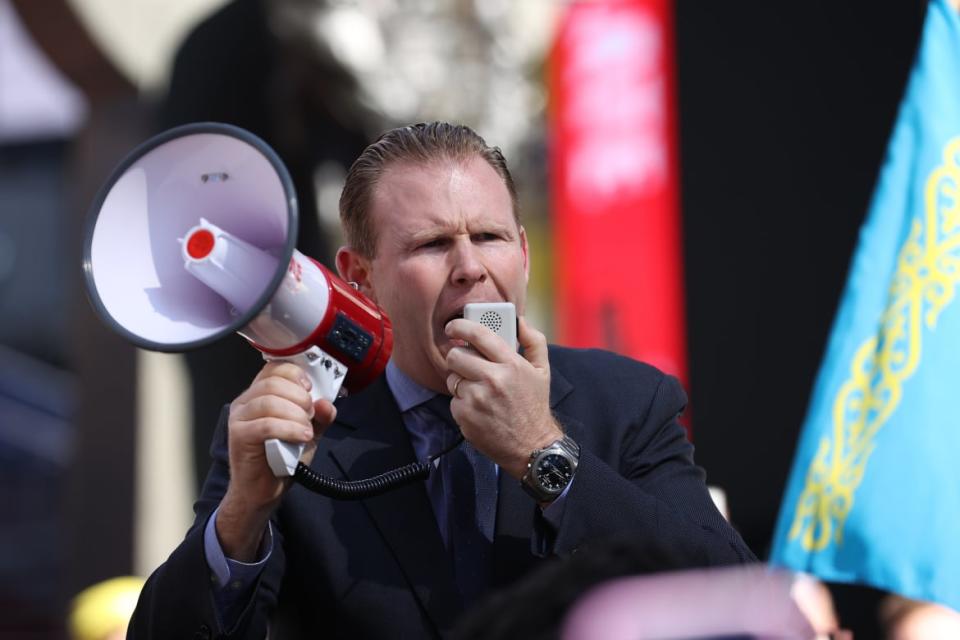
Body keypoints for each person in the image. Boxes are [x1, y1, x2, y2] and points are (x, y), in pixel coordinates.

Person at [128, 122, 755, 639]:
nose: (470, 268)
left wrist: (543, 451)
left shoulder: (626, 401)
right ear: (360, 276)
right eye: (431, 245)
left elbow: (732, 596)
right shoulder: (300, 428)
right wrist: (241, 516)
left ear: (525, 253)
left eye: (489, 237)